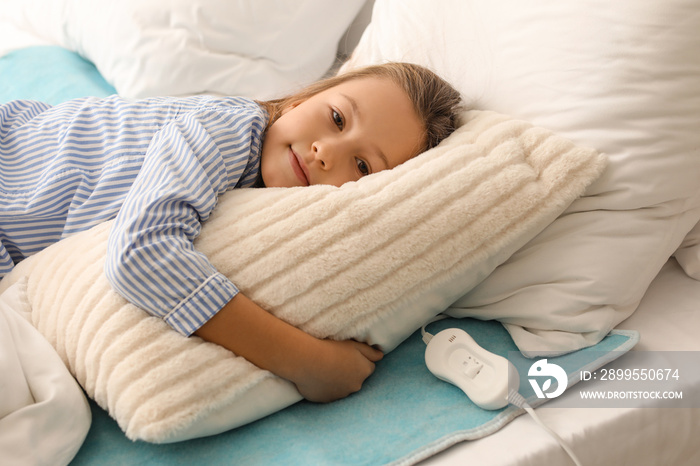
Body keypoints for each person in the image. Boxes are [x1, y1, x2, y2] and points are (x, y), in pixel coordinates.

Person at [0, 62, 463, 402]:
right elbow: (140, 253)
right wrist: (309, 362)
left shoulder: (266, 197)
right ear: (301, 102)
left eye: (361, 165)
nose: (325, 151)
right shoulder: (229, 128)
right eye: (337, 118)